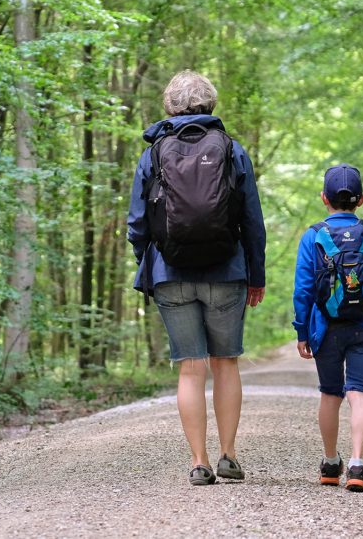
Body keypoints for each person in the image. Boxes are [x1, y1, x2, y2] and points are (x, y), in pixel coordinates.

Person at [128, 70, 267, 486]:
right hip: (227, 271)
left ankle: (199, 462)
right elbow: (252, 221)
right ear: (211, 103)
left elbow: (137, 224)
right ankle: (228, 455)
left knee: (190, 368)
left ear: (169, 106)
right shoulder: (232, 150)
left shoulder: (153, 153)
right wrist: (255, 275)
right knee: (225, 363)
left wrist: (150, 267)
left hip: (169, 273)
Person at [293, 163, 363, 492]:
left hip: (326, 327)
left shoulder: (313, 236)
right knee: (359, 393)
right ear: (360, 200)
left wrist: (302, 332)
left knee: (330, 394)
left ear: (324, 198)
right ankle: (358, 465)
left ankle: (331, 463)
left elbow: (304, 290)